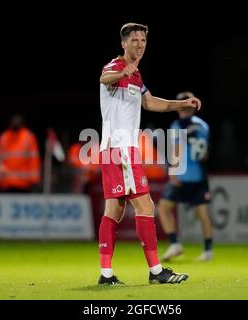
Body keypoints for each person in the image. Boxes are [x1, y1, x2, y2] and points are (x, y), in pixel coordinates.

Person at [97, 23, 201, 285]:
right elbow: (104, 78)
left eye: (143, 40)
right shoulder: (116, 66)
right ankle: (156, 272)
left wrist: (181, 105)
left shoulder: (137, 76)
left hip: (115, 149)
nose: (139, 44)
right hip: (120, 148)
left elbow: (151, 102)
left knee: (114, 210)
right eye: (134, 40)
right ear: (123, 43)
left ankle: (106, 275)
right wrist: (122, 72)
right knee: (146, 205)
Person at [158, 92, 214, 262]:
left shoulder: (178, 125)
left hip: (182, 174)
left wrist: (173, 171)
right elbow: (205, 155)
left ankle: (175, 244)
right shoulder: (203, 126)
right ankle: (208, 251)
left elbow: (177, 150)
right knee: (203, 214)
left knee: (164, 208)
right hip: (199, 175)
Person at [0, 115, 41, 193]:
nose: (15, 123)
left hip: (24, 183)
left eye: (18, 121)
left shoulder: (28, 136)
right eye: (14, 121)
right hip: (6, 183)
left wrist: (35, 179)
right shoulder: (4, 136)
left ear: (22, 123)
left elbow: (34, 159)